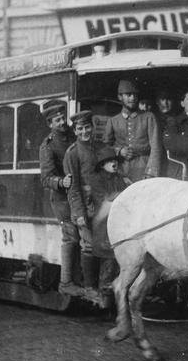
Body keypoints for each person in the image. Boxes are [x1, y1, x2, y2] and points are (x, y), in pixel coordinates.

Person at [39, 99, 83, 297]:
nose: (62, 122)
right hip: (62, 199)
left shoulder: (75, 136)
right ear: (50, 124)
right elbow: (46, 178)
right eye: (57, 120)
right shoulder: (47, 146)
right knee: (71, 237)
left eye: (63, 118)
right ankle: (66, 281)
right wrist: (61, 182)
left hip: (81, 194)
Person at [63, 110, 106, 302]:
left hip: (103, 206)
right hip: (85, 208)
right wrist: (79, 213)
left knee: (105, 246)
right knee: (89, 246)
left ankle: (103, 287)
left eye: (87, 127)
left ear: (92, 127)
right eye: (80, 128)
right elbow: (72, 188)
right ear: (75, 131)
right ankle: (90, 288)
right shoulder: (72, 153)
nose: (84, 132)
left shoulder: (101, 148)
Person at [89, 147, 132, 299]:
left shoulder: (119, 178)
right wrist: (127, 192)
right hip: (102, 225)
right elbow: (105, 199)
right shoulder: (96, 179)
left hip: (117, 224)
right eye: (109, 161)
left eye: (114, 160)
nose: (113, 163)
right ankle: (104, 294)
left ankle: (115, 294)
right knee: (108, 260)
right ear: (102, 165)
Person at [103, 79, 162, 182]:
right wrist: (119, 151)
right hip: (120, 171)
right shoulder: (113, 121)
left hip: (144, 170)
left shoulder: (148, 117)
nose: (133, 98)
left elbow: (156, 147)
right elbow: (105, 146)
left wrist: (151, 172)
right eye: (128, 95)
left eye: (135, 95)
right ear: (120, 97)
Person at [154, 87, 179, 177]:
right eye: (162, 99)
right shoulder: (152, 119)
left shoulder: (179, 120)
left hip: (174, 163)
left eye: (168, 99)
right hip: (157, 162)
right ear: (157, 102)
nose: (165, 103)